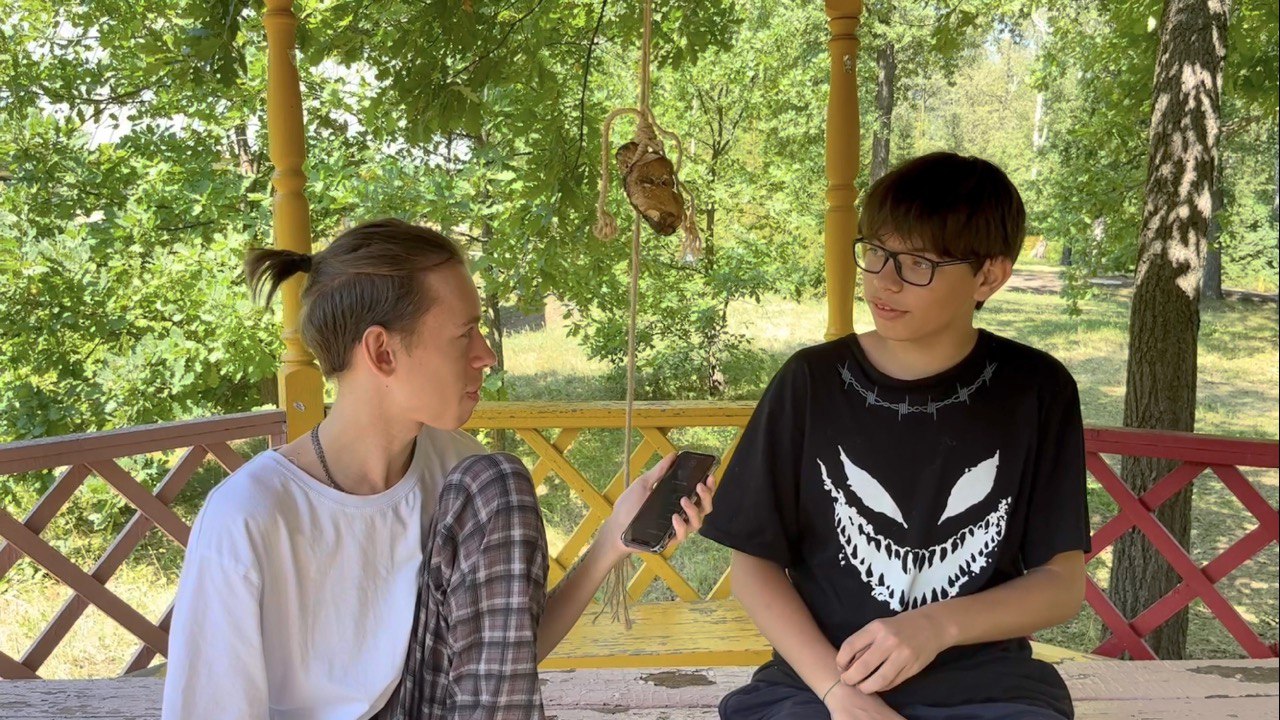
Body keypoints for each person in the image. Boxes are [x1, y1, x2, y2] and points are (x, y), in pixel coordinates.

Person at [160, 219, 715, 719]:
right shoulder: (249, 517)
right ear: (382, 352)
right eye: (464, 333)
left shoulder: (464, 476)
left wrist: (612, 541)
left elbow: (502, 665)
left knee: (498, 480)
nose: (486, 354)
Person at [700, 152, 1089, 720]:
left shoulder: (1035, 388)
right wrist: (841, 696)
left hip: (987, 689)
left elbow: (1061, 583)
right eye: (876, 252)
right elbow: (752, 568)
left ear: (989, 275)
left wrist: (935, 625)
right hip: (820, 682)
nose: (884, 279)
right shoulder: (810, 382)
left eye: (917, 263)